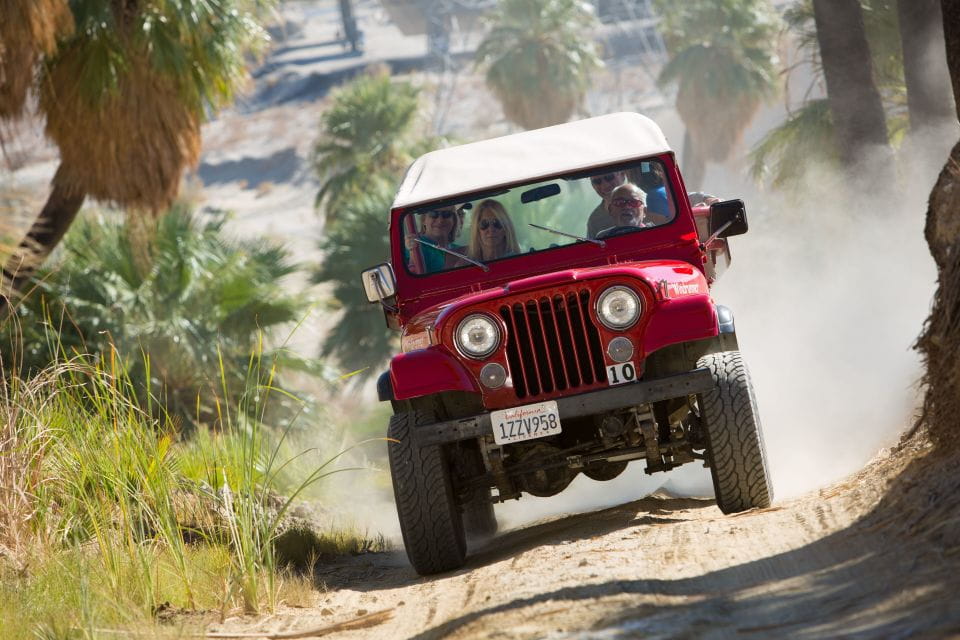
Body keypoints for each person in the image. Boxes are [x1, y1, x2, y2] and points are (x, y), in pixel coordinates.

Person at [403, 205, 466, 273]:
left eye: (446, 214)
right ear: (424, 220)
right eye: (433, 214)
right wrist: (411, 252)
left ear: (454, 220)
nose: (440, 220)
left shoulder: (460, 251)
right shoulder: (413, 246)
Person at [585, 171, 628, 239]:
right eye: (597, 181)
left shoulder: (646, 204)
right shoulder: (594, 220)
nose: (605, 186)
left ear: (622, 175)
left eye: (609, 177)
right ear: (592, 185)